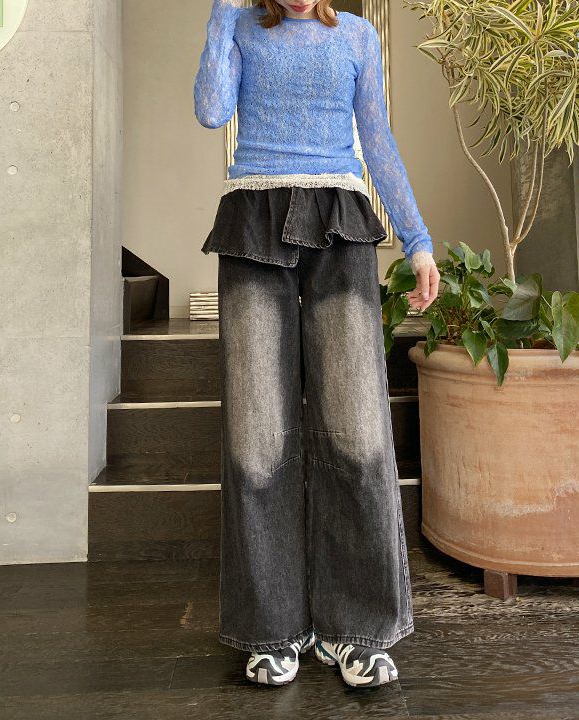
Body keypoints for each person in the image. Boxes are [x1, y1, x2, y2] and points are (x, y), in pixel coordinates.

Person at [194, 0, 439, 689]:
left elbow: (377, 138)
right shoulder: (242, 26)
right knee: (256, 436)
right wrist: (220, 14)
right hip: (252, 217)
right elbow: (212, 111)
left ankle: (355, 629)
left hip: (341, 219)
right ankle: (271, 628)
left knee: (357, 430)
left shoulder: (357, 36)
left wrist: (417, 240)